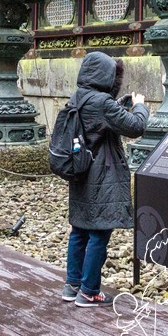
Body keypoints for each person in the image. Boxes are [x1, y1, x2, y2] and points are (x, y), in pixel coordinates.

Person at [62, 51, 148, 307]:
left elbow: (102, 122)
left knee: (79, 230)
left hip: (80, 171)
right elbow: (135, 126)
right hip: (103, 176)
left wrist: (118, 103)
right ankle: (89, 291)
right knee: (99, 232)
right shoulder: (102, 103)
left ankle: (72, 285)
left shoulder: (78, 97)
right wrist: (141, 106)